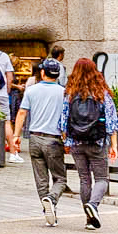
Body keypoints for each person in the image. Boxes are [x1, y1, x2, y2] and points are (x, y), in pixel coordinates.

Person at [61, 58, 118, 229]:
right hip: (97, 142)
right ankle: (93, 205)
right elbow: (112, 123)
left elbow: (63, 121)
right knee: (102, 179)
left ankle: (89, 219)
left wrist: (67, 141)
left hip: (76, 142)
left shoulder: (70, 94)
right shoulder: (101, 93)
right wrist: (114, 145)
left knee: (84, 179)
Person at [18, 58, 75, 223]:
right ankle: (52, 199)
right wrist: (67, 140)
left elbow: (22, 113)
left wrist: (15, 136)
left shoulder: (31, 90)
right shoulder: (64, 93)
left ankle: (48, 210)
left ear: (43, 73)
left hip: (34, 138)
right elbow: (66, 119)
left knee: (41, 179)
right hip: (54, 140)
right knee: (60, 178)